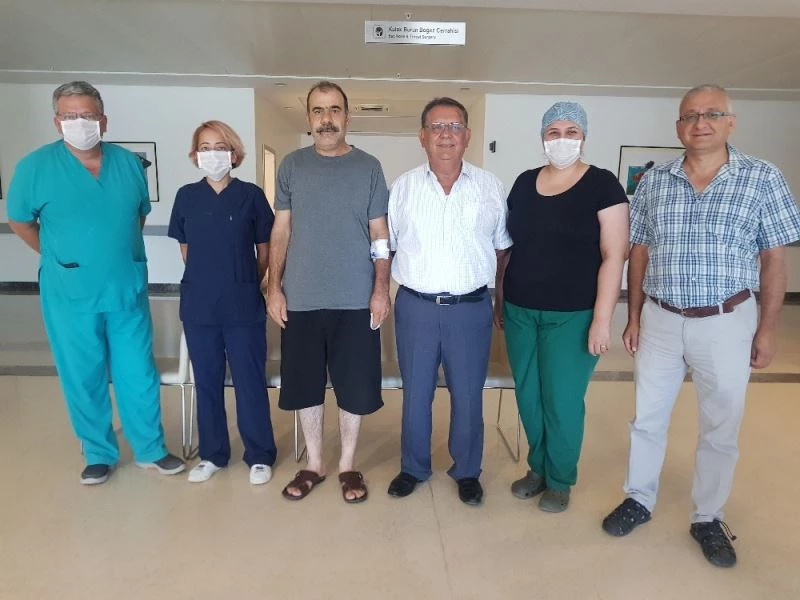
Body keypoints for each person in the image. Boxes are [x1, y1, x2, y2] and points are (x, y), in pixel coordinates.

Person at [601, 84, 800, 567]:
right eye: (690, 116)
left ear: (731, 122)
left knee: (721, 424)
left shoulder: (762, 178)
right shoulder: (655, 181)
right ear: (678, 127)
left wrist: (767, 328)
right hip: (661, 318)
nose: (700, 123)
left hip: (727, 321)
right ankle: (639, 498)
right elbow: (639, 251)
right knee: (647, 418)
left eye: (711, 114)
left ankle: (708, 517)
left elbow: (774, 260)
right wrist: (634, 315)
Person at [6, 81, 185, 484]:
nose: (79, 122)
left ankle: (151, 449)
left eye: (87, 115)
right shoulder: (35, 168)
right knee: (82, 374)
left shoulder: (128, 164)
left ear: (103, 120)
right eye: (70, 116)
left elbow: (137, 215)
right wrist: (56, 256)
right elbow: (19, 221)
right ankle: (99, 452)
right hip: (70, 292)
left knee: (138, 373)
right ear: (57, 122)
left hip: (125, 287)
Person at [495, 101, 629, 512]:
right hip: (520, 310)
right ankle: (537, 468)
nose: (562, 140)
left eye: (571, 132)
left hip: (573, 316)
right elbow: (507, 248)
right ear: (542, 138)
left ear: (584, 137)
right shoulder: (524, 183)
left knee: (562, 400)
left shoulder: (603, 185)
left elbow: (614, 255)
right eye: (553, 132)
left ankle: (560, 478)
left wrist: (602, 320)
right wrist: (500, 297)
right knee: (529, 397)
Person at [267, 81, 390, 504]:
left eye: (334, 110)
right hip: (301, 298)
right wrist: (274, 287)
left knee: (354, 387)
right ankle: (315, 464)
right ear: (308, 118)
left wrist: (380, 288)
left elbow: (380, 234)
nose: (326, 119)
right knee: (305, 385)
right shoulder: (292, 166)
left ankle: (348, 465)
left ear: (347, 117)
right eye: (318, 111)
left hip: (355, 299)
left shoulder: (368, 167)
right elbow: (280, 230)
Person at [386, 97, 513, 506]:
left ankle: (467, 471)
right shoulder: (402, 188)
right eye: (437, 127)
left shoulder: (490, 187)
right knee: (416, 394)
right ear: (422, 136)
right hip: (416, 308)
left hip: (470, 309)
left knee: (469, 394)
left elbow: (503, 250)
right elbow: (386, 247)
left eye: (454, 127)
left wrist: (499, 301)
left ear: (468, 136)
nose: (446, 135)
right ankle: (413, 467)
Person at [168, 120, 278, 485]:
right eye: (205, 147)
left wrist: (244, 280)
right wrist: (210, 277)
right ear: (195, 154)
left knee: (249, 381)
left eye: (220, 147)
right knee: (207, 381)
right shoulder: (186, 196)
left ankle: (259, 454)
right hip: (199, 305)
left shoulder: (251, 196)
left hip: (242, 304)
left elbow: (264, 251)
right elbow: (187, 250)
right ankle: (213, 454)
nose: (212, 154)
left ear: (233, 154)